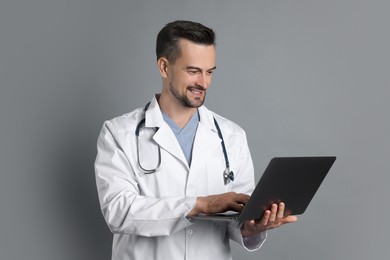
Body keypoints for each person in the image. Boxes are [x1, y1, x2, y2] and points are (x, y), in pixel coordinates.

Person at [94, 20, 297, 260]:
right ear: (164, 67)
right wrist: (200, 204)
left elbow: (237, 218)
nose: (204, 82)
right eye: (193, 71)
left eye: (209, 71)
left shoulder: (231, 136)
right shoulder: (119, 133)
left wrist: (252, 227)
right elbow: (119, 212)